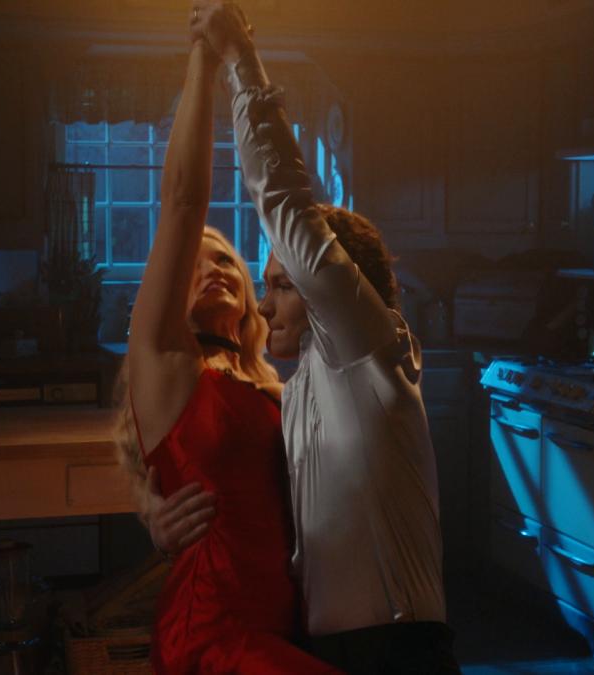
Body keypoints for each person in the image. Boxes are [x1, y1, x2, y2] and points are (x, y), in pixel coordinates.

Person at [146, 3, 461, 672]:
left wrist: (239, 58)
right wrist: (156, 515)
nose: (264, 304)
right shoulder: (300, 394)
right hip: (321, 650)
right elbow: (244, 492)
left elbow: (283, 198)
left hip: (396, 651)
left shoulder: (364, 346)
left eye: (282, 284)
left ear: (329, 296)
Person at [113, 28, 339, 675]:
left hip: (286, 623)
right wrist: (204, 58)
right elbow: (183, 202)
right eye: (195, 263)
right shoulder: (168, 365)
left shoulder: (271, 384)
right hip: (213, 633)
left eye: (225, 261)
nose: (213, 267)